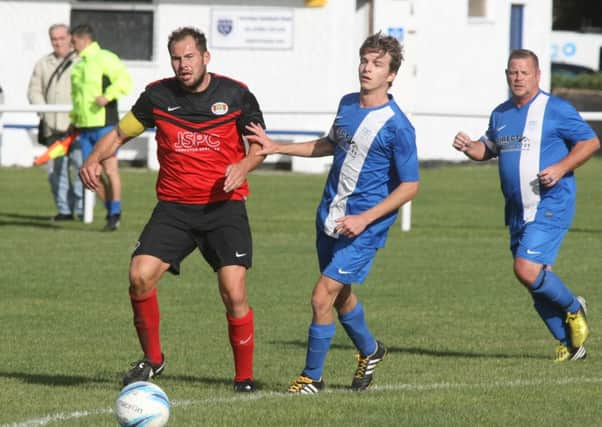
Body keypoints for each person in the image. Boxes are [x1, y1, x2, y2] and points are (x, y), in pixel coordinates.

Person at [79, 27, 266, 392]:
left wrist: (243, 166)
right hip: (175, 208)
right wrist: (93, 159)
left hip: (223, 208)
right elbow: (119, 134)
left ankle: (244, 379)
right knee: (139, 275)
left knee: (233, 291)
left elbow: (260, 145)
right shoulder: (157, 97)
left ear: (205, 57)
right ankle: (153, 360)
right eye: (177, 58)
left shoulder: (236, 95)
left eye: (189, 57)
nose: (183, 65)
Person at [246, 32, 420, 394]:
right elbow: (329, 144)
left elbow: (410, 186)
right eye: (364, 61)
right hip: (329, 216)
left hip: (363, 228)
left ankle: (312, 377)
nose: (367, 69)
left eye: (377, 64)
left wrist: (365, 219)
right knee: (340, 295)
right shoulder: (347, 104)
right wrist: (277, 146)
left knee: (321, 296)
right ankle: (370, 351)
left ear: (391, 75)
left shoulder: (398, 125)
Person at [452, 49, 599, 362]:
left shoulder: (555, 109)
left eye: (523, 72)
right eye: (512, 72)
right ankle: (571, 346)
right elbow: (487, 150)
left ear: (537, 75)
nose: (517, 78)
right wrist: (469, 147)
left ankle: (574, 308)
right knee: (535, 278)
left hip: (551, 202)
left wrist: (560, 168)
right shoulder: (501, 114)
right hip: (518, 210)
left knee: (526, 268)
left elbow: (590, 142)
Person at [70, 24, 132, 230]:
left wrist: (108, 96)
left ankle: (115, 212)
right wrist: (74, 120)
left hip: (105, 124)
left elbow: (124, 81)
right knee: (89, 172)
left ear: (84, 39)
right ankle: (111, 211)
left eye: (73, 41)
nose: (72, 45)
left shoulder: (105, 57)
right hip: (84, 127)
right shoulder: (78, 65)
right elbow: (78, 99)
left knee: (110, 170)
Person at [27, 23, 82, 221]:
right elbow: (34, 90)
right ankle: (64, 210)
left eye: (61, 38)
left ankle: (82, 209)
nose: (57, 42)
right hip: (53, 128)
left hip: (76, 128)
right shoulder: (43, 63)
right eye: (54, 39)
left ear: (70, 38)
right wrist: (45, 113)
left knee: (79, 167)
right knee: (56, 171)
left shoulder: (81, 61)